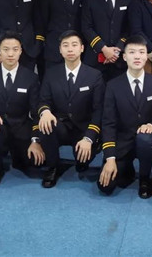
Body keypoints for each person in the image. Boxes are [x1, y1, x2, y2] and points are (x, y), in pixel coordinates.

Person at [0, 31, 44, 187]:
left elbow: (36, 112)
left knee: (34, 162)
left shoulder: (31, 77)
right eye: (6, 49)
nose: (10, 54)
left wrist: (35, 140)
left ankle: (18, 156)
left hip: (20, 128)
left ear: (21, 51)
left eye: (15, 49)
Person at [98, 36, 152, 198]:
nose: (137, 56)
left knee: (145, 139)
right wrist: (110, 158)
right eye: (132, 52)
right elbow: (108, 123)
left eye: (141, 52)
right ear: (124, 56)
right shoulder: (113, 86)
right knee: (105, 186)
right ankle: (126, 168)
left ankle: (144, 178)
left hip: (148, 140)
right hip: (123, 142)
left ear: (147, 56)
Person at [37, 30, 105, 188]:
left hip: (84, 128)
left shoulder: (94, 75)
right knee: (46, 124)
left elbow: (99, 110)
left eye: (74, 45)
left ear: (82, 48)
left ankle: (86, 153)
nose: (70, 49)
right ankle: (53, 167)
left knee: (82, 162)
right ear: (60, 50)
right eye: (65, 45)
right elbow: (43, 100)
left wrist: (89, 138)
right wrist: (45, 112)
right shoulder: (51, 73)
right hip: (61, 125)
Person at [81, 0, 131, 81]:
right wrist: (103, 48)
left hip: (119, 58)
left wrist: (116, 50)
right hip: (95, 58)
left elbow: (129, 28)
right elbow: (86, 27)